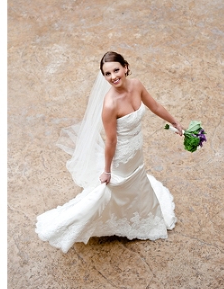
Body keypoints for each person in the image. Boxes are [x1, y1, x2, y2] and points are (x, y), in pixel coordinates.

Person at [36, 52, 183, 253]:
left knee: (137, 180)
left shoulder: (137, 85)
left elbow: (155, 105)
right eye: (107, 74)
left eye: (116, 70)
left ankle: (138, 212)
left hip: (137, 148)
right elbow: (111, 141)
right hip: (121, 155)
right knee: (116, 186)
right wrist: (106, 170)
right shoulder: (110, 104)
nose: (113, 76)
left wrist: (173, 121)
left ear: (126, 67)